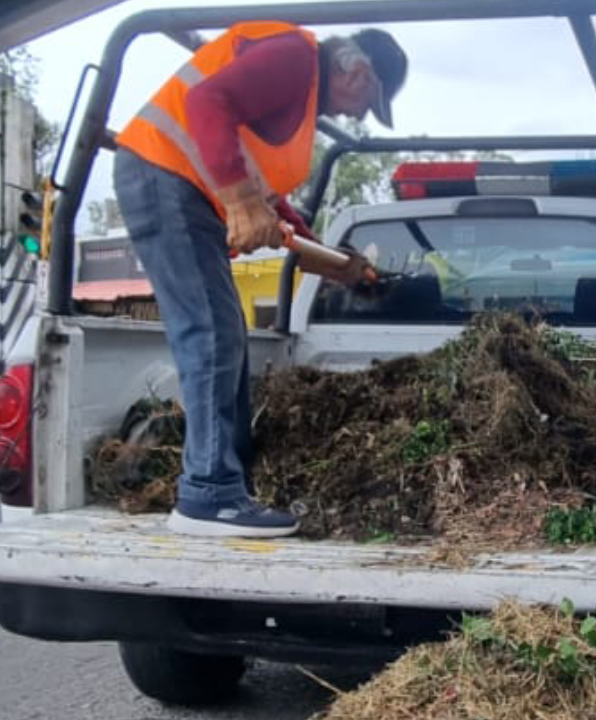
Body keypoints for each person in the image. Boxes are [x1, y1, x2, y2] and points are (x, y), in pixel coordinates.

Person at [113, 23, 407, 537]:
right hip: (163, 178)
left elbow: (263, 189)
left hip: (184, 191)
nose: (358, 115)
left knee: (227, 336)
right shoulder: (296, 56)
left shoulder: (294, 104)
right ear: (356, 70)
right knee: (211, 333)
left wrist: (328, 255)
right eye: (369, 102)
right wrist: (241, 201)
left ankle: (229, 476)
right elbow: (207, 104)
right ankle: (208, 493)